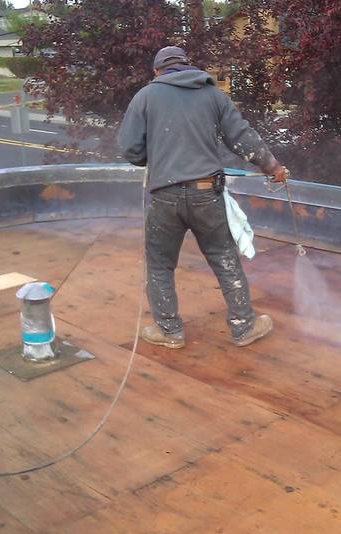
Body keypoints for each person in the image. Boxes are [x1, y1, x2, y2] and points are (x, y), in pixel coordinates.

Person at [118, 46, 288, 349]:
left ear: (157, 71)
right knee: (224, 259)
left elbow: (130, 149)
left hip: (165, 196)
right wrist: (272, 167)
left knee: (159, 264)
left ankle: (169, 332)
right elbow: (242, 137)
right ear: (186, 65)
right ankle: (243, 327)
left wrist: (155, 158)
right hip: (206, 193)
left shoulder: (145, 96)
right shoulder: (213, 95)